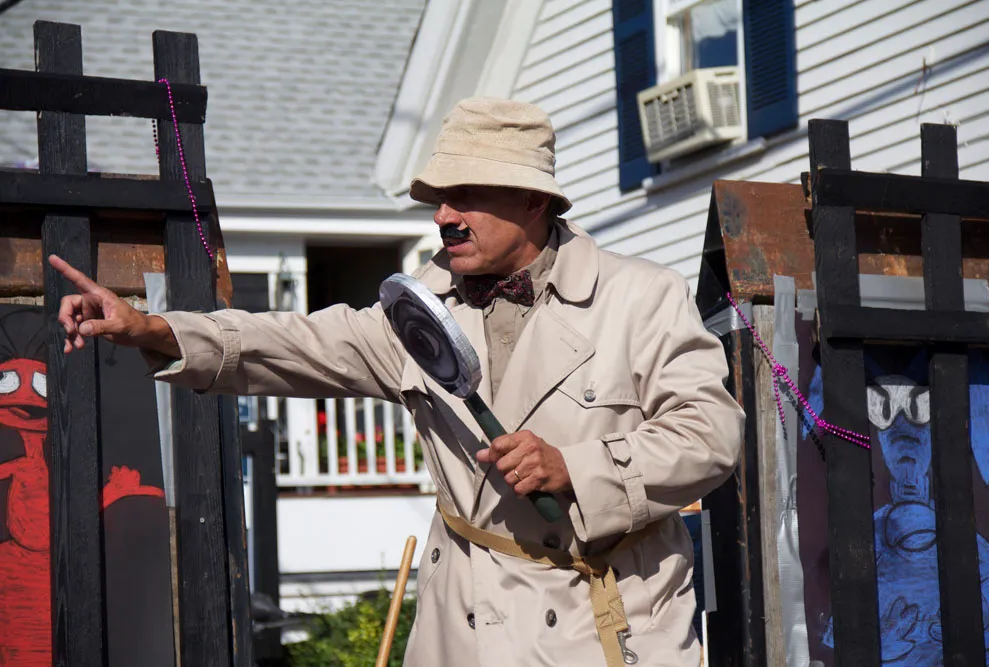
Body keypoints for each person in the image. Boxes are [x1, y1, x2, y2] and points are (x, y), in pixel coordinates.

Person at [50, 97, 744, 666]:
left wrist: (577, 468)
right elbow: (294, 342)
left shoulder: (641, 297)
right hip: (460, 632)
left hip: (600, 630)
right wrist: (155, 329)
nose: (443, 215)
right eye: (439, 197)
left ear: (534, 201)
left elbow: (711, 435)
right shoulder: (420, 309)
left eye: (465, 194)